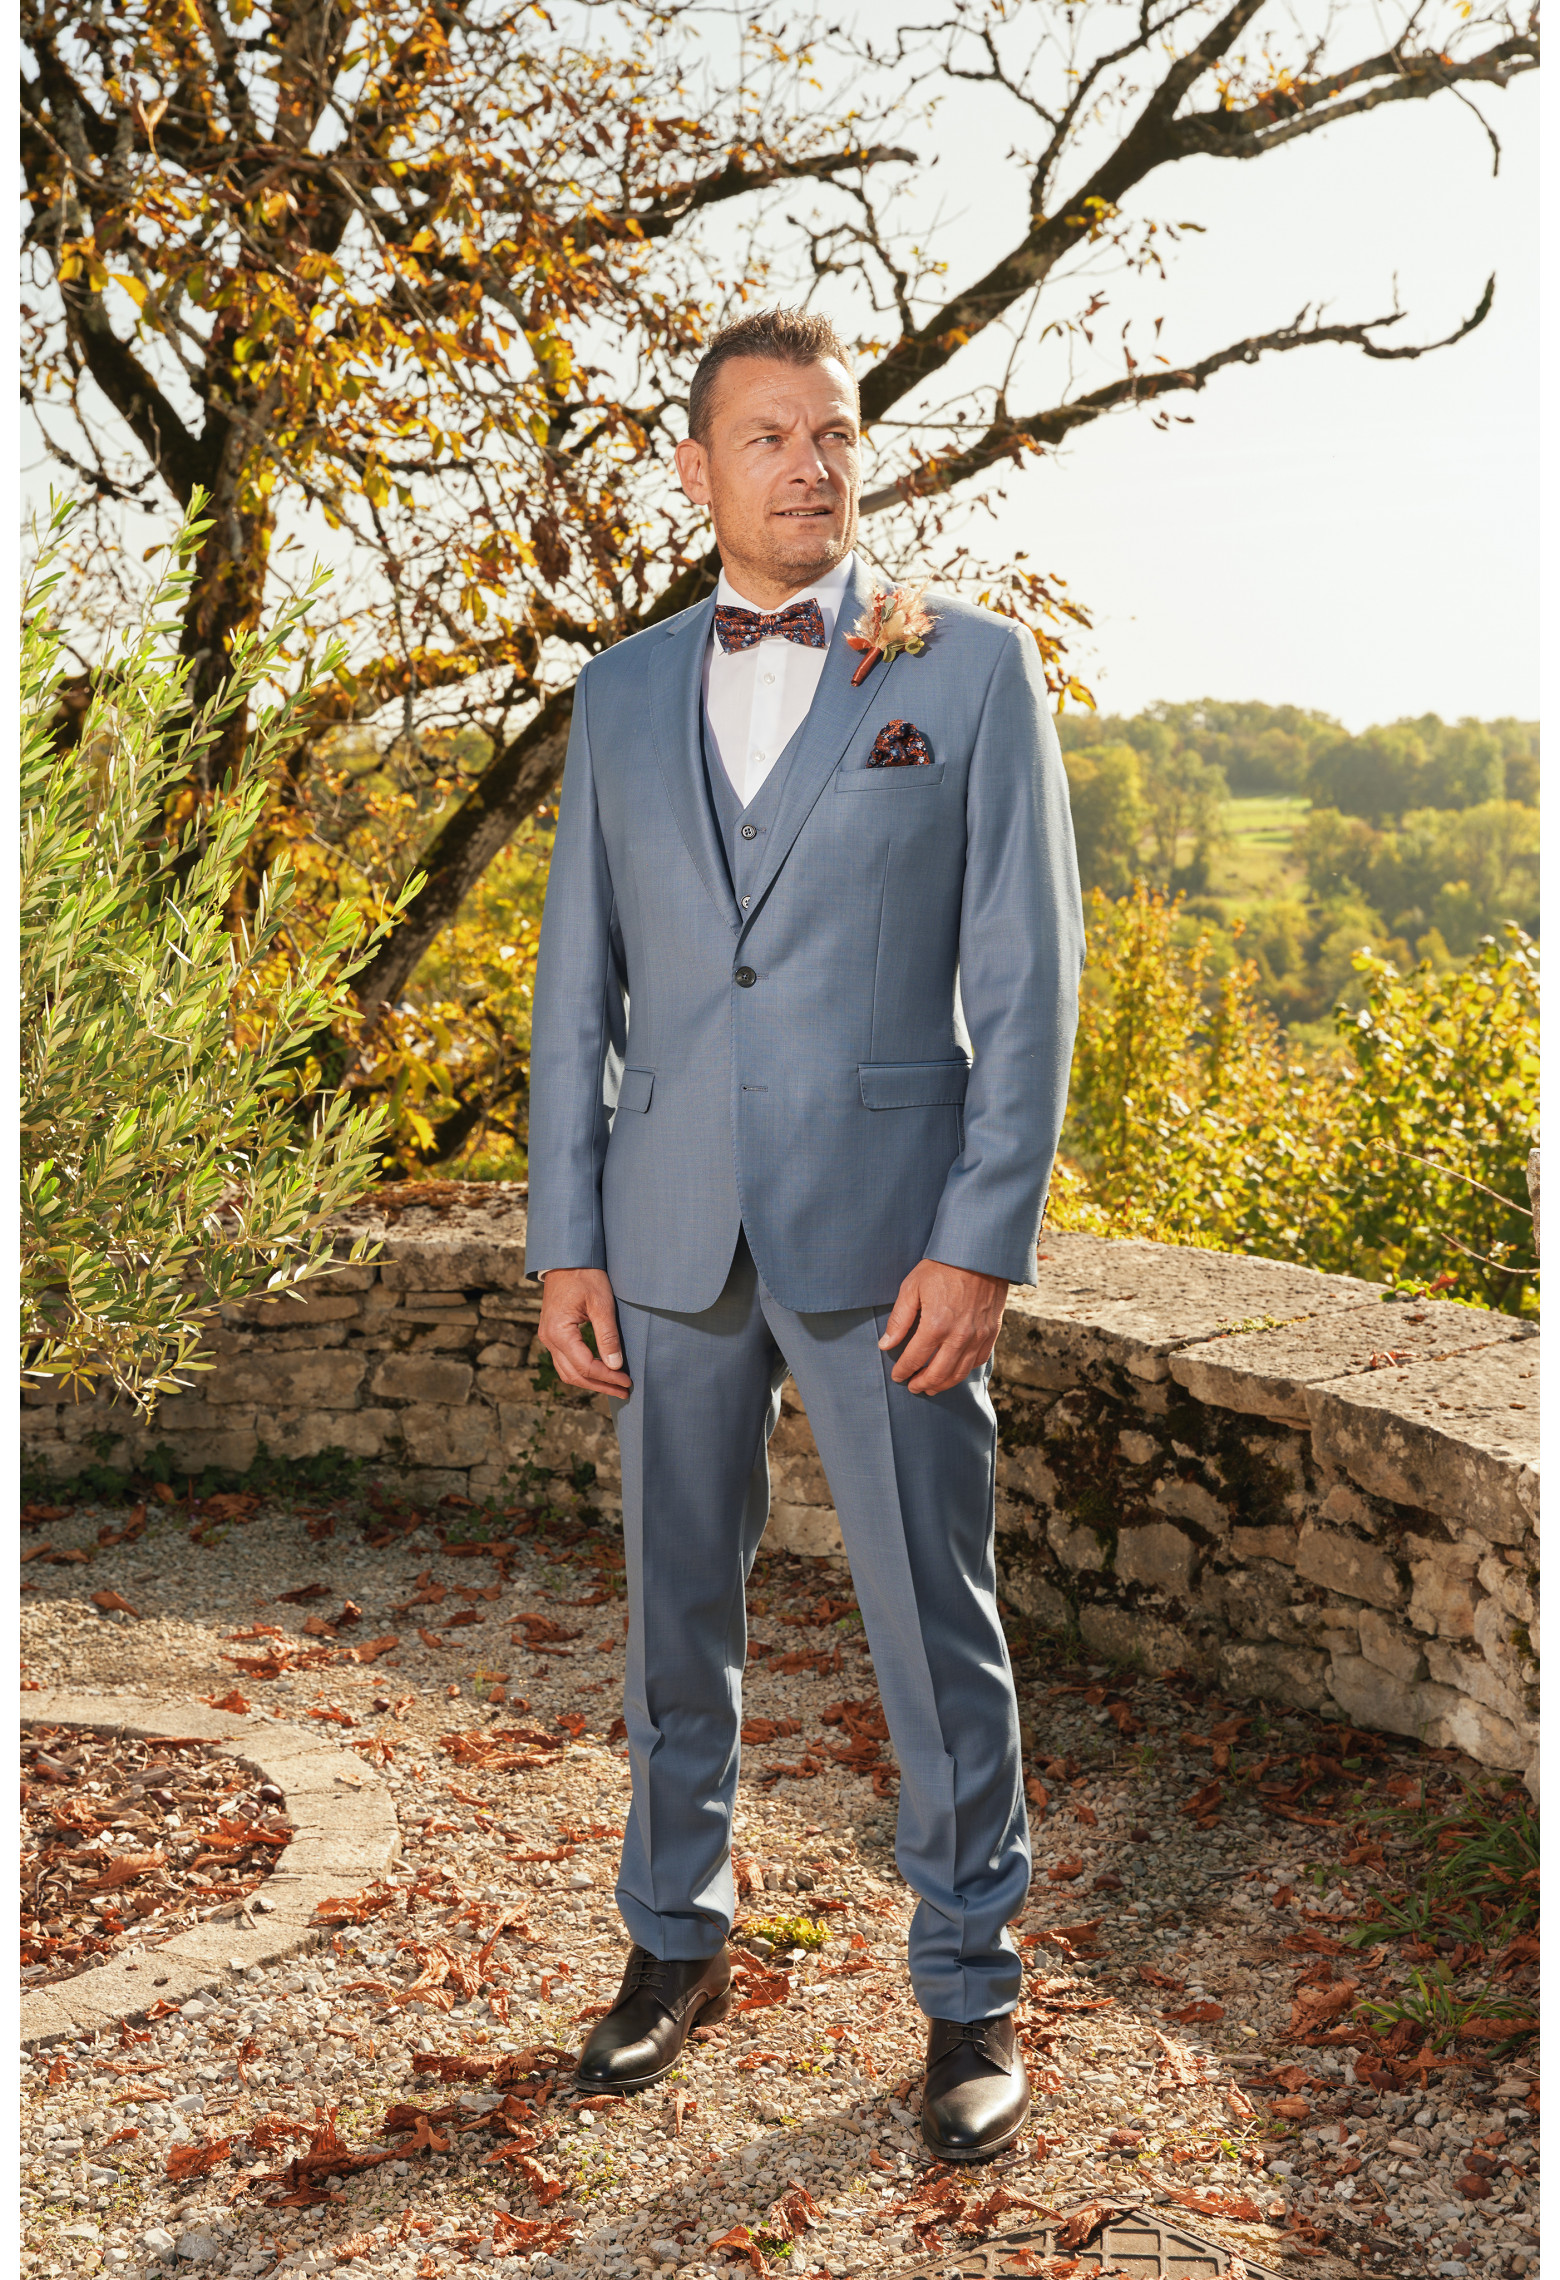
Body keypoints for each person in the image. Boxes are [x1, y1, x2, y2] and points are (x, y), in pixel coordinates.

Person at [525, 307, 1084, 2162]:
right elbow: (572, 995)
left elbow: (1027, 985)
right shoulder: (615, 698)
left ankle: (969, 1990)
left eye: (835, 433)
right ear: (697, 471)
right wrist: (566, 1239)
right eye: (768, 437)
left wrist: (980, 1239)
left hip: (892, 1242)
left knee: (936, 1621)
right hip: (668, 1229)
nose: (812, 465)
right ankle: (672, 1941)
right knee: (674, 1613)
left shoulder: (974, 677)